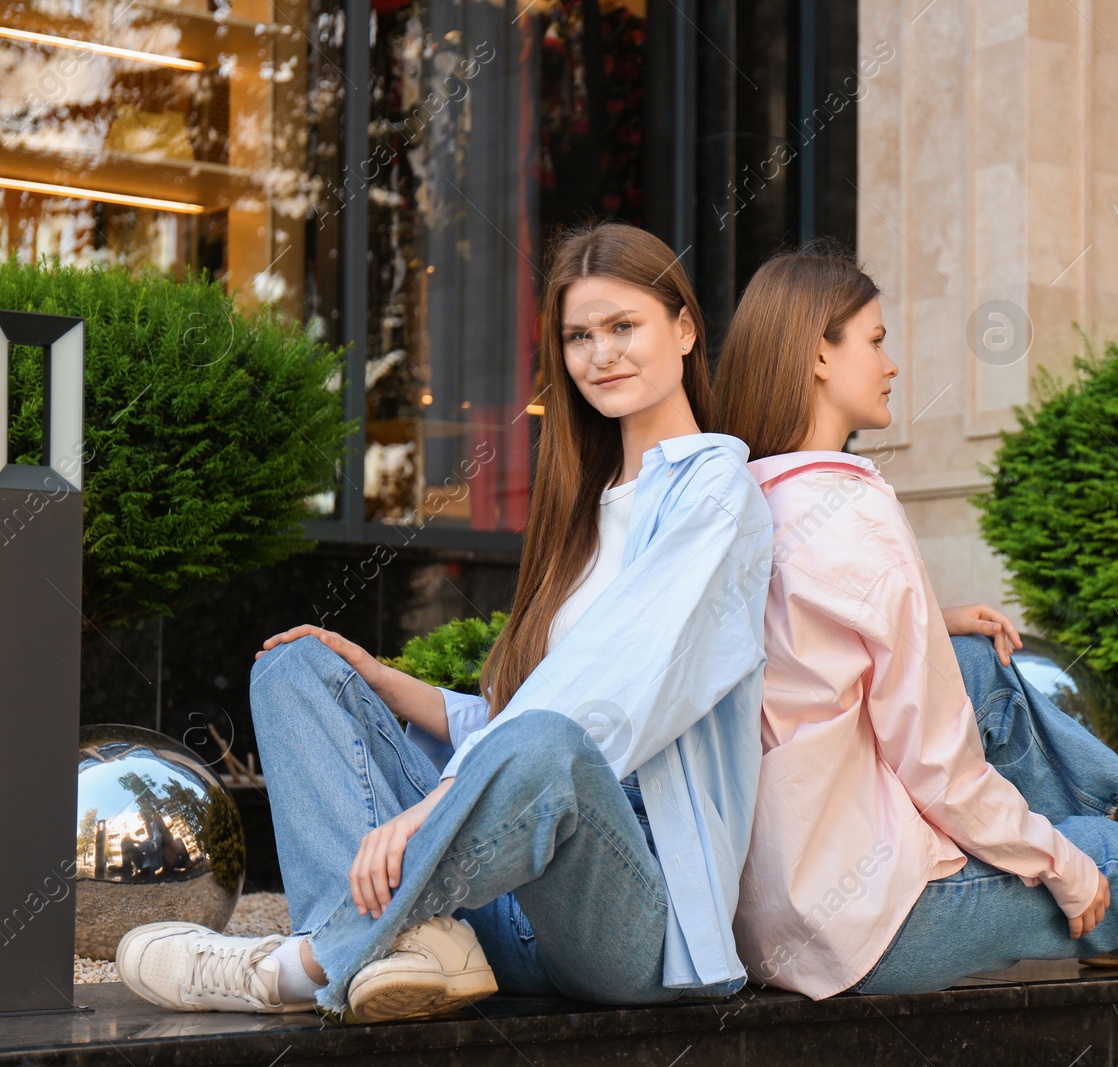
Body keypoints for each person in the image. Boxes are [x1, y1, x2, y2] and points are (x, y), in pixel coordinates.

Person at [115, 223, 773, 1021]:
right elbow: (514, 715)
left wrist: (444, 796)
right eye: (578, 336)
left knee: (548, 745)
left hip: (627, 917)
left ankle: (307, 963)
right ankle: (413, 949)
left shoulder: (717, 491)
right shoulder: (581, 512)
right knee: (295, 669)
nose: (602, 354)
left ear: (684, 327)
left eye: (623, 326)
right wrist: (385, 682)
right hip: (499, 903)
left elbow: (609, 696)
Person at [712, 249, 1118, 999]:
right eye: (875, 339)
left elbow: (812, 640)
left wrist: (934, 619)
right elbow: (932, 760)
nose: (892, 363)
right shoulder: (858, 515)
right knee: (1092, 857)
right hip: (863, 928)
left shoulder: (748, 499)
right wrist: (1059, 860)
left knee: (975, 665)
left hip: (770, 912)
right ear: (819, 355)